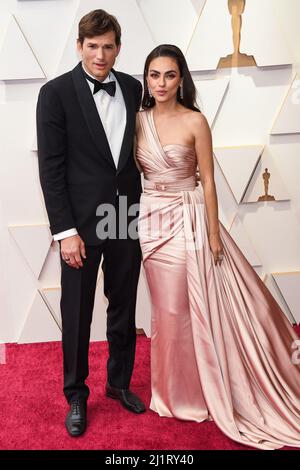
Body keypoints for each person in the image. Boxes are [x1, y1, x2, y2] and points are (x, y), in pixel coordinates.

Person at [135, 44, 300, 450]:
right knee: (165, 309)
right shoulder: (137, 121)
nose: (161, 83)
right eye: (154, 75)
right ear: (146, 78)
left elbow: (207, 180)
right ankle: (172, 392)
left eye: (169, 75)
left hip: (188, 217)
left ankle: (194, 394)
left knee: (187, 307)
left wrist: (212, 232)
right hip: (151, 218)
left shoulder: (196, 121)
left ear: (181, 79)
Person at [36, 9, 145, 437]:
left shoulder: (135, 89)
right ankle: (76, 394)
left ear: (118, 48)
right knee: (77, 310)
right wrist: (65, 232)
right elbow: (52, 167)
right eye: (93, 46)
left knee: (123, 304)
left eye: (109, 46)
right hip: (80, 225)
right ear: (79, 46)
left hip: (125, 215)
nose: (101, 55)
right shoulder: (56, 93)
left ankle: (118, 383)